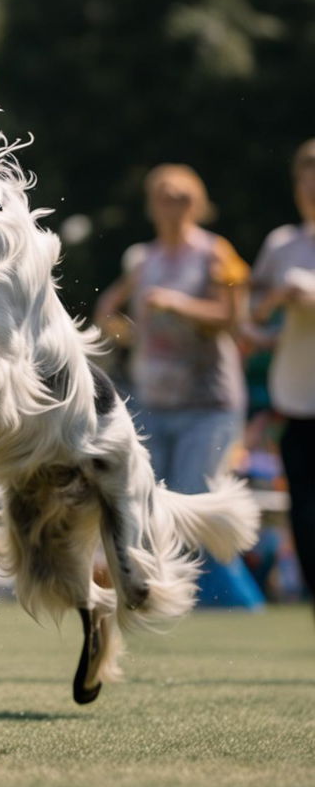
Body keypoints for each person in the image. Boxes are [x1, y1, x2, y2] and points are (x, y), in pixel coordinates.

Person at [95, 164, 261, 606]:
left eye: (183, 197)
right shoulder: (142, 259)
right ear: (152, 205)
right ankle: (167, 595)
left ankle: (234, 603)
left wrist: (179, 305)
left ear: (198, 203)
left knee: (191, 498)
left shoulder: (216, 253)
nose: (173, 205)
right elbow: (108, 309)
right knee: (148, 501)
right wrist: (121, 330)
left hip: (209, 401)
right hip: (154, 398)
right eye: (164, 196)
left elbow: (233, 317)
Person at [249, 140, 315, 616]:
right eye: (305, 178)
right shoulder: (281, 244)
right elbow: (253, 315)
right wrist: (273, 306)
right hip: (297, 394)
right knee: (305, 510)